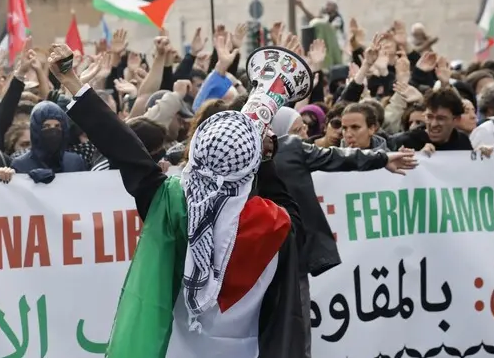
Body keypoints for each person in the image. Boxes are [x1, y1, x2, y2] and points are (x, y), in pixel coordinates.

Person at [50, 43, 308, 358]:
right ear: (253, 162)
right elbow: (295, 224)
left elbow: (125, 148)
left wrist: (73, 82)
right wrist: (264, 160)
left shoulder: (171, 202)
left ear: (197, 150)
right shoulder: (276, 224)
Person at [272, 107, 417, 358]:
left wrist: (382, 159)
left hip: (289, 257)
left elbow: (337, 156)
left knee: (295, 333)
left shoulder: (286, 149)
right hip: (260, 262)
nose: (303, 135)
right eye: (296, 130)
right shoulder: (252, 153)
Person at [11, 101, 87, 182]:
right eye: (46, 126)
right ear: (36, 130)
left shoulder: (75, 162)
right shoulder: (20, 165)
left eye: (57, 126)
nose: (53, 132)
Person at [390, 88, 472, 153]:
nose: (433, 124)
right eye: (429, 117)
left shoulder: (462, 141)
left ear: (456, 120)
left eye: (441, 118)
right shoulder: (407, 142)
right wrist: (419, 158)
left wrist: (480, 158)